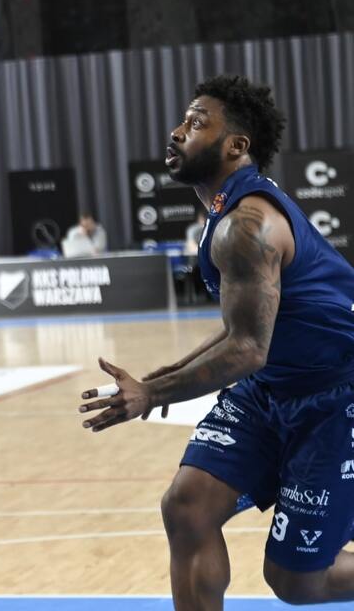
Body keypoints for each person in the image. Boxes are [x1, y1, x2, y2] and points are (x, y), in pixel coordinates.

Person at [79, 75, 354, 609]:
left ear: (236, 145)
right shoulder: (223, 214)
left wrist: (153, 394)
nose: (178, 131)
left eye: (196, 123)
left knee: (297, 583)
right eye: (183, 121)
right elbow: (242, 329)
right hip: (270, 389)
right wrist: (162, 379)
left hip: (335, 397)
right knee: (187, 507)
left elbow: (247, 348)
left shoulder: (247, 225)